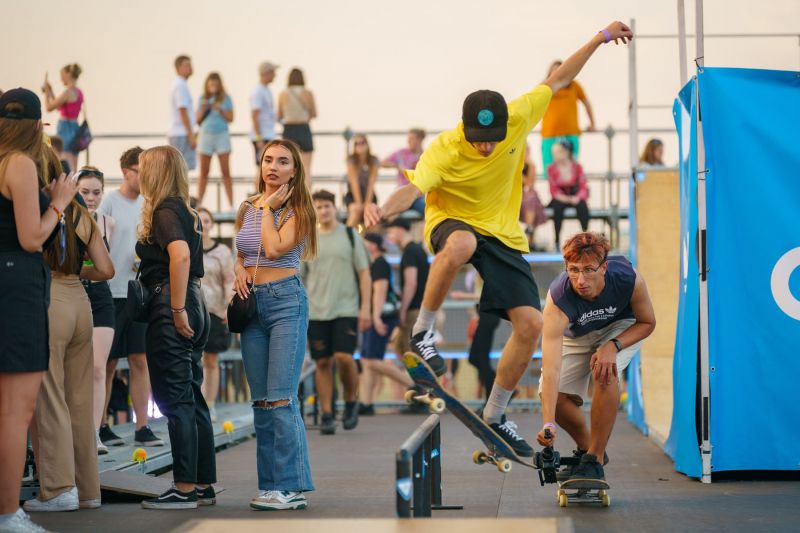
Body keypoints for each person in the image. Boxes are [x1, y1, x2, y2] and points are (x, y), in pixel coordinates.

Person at [365, 21, 633, 456]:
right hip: (451, 221)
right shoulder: (445, 148)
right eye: (478, 141)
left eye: (492, 141)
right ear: (463, 128)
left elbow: (560, 77)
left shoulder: (521, 114)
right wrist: (381, 208)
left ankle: (495, 414)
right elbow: (412, 189)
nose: (486, 148)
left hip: (503, 233)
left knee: (531, 325)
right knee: (461, 244)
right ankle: (422, 332)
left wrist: (601, 38)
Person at [0, 88, 78, 532]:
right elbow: (32, 237)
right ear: (36, 126)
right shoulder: (20, 163)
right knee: (15, 411)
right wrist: (60, 203)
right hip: (17, 285)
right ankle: (9, 511)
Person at [25, 147, 114, 512]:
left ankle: (58, 489)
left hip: (49, 300)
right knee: (80, 401)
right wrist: (78, 273)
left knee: (50, 398)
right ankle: (88, 491)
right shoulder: (82, 212)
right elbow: (107, 269)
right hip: (82, 302)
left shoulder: (43, 210)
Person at [232, 139, 317, 510]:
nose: (274, 167)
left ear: (294, 170)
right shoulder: (247, 207)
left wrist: (269, 208)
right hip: (253, 304)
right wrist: (238, 271)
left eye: (283, 162)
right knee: (261, 402)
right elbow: (243, 249)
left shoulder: (298, 210)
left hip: (286, 301)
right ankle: (270, 485)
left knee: (282, 398)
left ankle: (291, 486)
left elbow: (275, 247)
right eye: (268, 160)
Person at [536, 232, 655, 481]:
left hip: (621, 326)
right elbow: (551, 369)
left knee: (605, 371)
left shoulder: (629, 279)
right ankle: (587, 449)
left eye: (589, 269)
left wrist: (613, 345)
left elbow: (647, 322)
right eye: (573, 270)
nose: (581, 279)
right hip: (577, 334)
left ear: (604, 268)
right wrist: (548, 424)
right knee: (554, 398)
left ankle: (595, 458)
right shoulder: (558, 300)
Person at [135, 145, 215, 509]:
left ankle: (183, 488)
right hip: (193, 302)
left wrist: (177, 308)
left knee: (176, 399)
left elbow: (179, 255)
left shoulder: (166, 210)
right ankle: (200, 484)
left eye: (141, 169)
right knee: (192, 396)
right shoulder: (187, 211)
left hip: (173, 304)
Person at [97, 147, 165, 448]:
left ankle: (142, 426)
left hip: (136, 293)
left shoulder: (148, 205)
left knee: (140, 359)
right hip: (110, 292)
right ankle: (101, 426)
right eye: (141, 170)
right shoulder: (108, 202)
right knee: (108, 363)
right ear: (127, 172)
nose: (146, 176)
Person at [302, 189, 371, 435]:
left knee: (344, 357)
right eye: (318, 207)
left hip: (346, 309)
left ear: (335, 208)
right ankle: (328, 414)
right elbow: (301, 277)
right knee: (322, 362)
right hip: (316, 311)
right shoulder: (308, 239)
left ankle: (351, 401)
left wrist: (366, 308)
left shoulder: (351, 236)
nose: (323, 211)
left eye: (327, 206)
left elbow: (364, 274)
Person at [76, 166, 117, 455]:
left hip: (101, 298)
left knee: (99, 368)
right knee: (74, 369)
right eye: (85, 192)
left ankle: (94, 432)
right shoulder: (65, 220)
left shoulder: (107, 223)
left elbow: (105, 267)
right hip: (73, 294)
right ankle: (75, 432)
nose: (91, 198)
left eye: (96, 192)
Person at [358, 233, 414, 414]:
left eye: (365, 242)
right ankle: (365, 404)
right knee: (367, 361)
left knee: (372, 361)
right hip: (377, 315)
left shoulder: (380, 263)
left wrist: (375, 317)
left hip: (382, 315)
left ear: (373, 245)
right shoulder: (375, 263)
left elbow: (380, 291)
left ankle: (413, 385)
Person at [197, 207, 234, 422]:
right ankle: (197, 403)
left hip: (215, 311)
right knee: (195, 360)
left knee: (211, 359)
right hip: (193, 310)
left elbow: (229, 280)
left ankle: (209, 404)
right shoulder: (188, 248)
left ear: (211, 224)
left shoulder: (222, 252)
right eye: (199, 221)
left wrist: (230, 306)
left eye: (206, 220)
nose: (204, 225)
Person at [539, 59, 595, 171]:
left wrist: (592, 123)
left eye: (560, 71)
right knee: (550, 170)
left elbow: (586, 103)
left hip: (570, 134)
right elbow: (534, 104)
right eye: (554, 72)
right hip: (550, 135)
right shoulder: (544, 86)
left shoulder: (574, 86)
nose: (557, 75)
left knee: (571, 171)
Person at [195, 72, 234, 207]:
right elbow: (197, 120)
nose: (214, 87)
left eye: (216, 84)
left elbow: (231, 118)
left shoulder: (226, 98)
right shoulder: (202, 99)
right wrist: (204, 108)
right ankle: (199, 204)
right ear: (207, 85)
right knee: (204, 172)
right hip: (206, 136)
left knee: (226, 172)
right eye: (211, 84)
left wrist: (221, 109)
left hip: (221, 135)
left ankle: (231, 205)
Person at [41, 63, 84, 173]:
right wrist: (50, 92)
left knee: (66, 165)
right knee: (73, 165)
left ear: (68, 74)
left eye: (62, 75)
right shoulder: (78, 92)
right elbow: (61, 107)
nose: (61, 79)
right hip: (75, 127)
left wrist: (46, 92)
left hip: (65, 128)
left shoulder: (67, 92)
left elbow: (49, 107)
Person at [547, 139, 589, 250]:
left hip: (575, 194)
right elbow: (553, 189)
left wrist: (577, 197)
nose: (555, 155)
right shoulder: (551, 168)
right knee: (557, 208)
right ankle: (556, 240)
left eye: (558, 152)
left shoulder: (577, 167)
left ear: (566, 152)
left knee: (582, 207)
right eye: (554, 153)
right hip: (560, 197)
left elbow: (583, 186)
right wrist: (565, 198)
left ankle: (585, 236)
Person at [277, 68, 316, 184]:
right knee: (306, 169)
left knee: (287, 167)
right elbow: (314, 114)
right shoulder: (308, 93)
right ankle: (307, 198)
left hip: (289, 129)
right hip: (304, 128)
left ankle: (288, 197)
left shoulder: (283, 94)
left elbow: (279, 115)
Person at [381, 128, 426, 216]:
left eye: (412, 139)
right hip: (402, 193)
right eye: (408, 139)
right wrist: (397, 166)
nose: (409, 141)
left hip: (418, 195)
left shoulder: (426, 155)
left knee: (429, 212)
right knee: (388, 212)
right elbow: (383, 163)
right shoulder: (401, 153)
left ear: (420, 140)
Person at [344, 133, 379, 227]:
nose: (360, 146)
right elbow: (354, 183)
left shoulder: (373, 160)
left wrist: (367, 203)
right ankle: (346, 236)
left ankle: (370, 239)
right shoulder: (351, 160)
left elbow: (372, 183)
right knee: (356, 210)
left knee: (371, 213)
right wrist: (359, 203)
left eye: (362, 143)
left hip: (369, 194)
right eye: (357, 143)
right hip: (352, 195)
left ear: (367, 144)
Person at [168, 55, 196, 171]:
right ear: (178, 68)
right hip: (181, 134)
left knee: (179, 169)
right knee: (181, 169)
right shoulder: (180, 85)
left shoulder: (180, 84)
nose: (190, 68)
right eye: (187, 65)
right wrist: (191, 135)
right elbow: (182, 111)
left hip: (180, 133)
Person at [250, 61, 279, 169]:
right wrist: (259, 138)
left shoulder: (266, 90)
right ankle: (258, 187)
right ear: (266, 73)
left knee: (267, 167)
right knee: (262, 168)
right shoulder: (258, 91)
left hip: (267, 134)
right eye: (273, 72)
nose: (275, 75)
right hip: (262, 136)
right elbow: (254, 115)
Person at [520, 145, 547, 250]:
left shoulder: (531, 165)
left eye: (527, 150)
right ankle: (530, 233)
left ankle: (529, 229)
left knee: (531, 197)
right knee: (532, 199)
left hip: (527, 195)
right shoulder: (513, 164)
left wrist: (529, 167)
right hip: (515, 194)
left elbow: (530, 184)